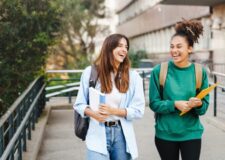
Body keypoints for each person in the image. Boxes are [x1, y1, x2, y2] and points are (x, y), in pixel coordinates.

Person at [74, 34, 145, 160]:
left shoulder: (133, 77)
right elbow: (79, 105)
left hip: (121, 136)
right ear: (109, 48)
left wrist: (113, 111)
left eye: (126, 47)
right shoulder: (90, 73)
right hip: (97, 134)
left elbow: (139, 111)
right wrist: (94, 114)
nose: (124, 50)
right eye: (120, 46)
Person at [149, 19, 209, 160]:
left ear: (190, 48)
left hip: (191, 133)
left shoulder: (200, 72)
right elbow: (153, 103)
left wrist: (198, 104)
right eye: (172, 46)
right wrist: (174, 104)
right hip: (165, 134)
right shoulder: (159, 71)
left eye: (179, 47)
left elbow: (204, 107)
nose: (174, 51)